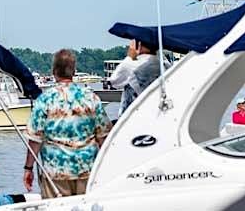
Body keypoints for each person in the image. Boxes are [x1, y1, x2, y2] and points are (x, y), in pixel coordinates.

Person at [24, 49, 111, 198]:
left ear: (54, 71)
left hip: (56, 171)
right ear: (74, 71)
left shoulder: (45, 100)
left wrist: (28, 168)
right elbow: (104, 136)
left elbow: (35, 140)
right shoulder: (91, 98)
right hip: (87, 170)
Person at [108, 39, 162, 116]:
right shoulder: (163, 63)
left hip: (134, 113)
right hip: (156, 110)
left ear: (139, 46)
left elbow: (114, 81)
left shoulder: (129, 63)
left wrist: (129, 57)